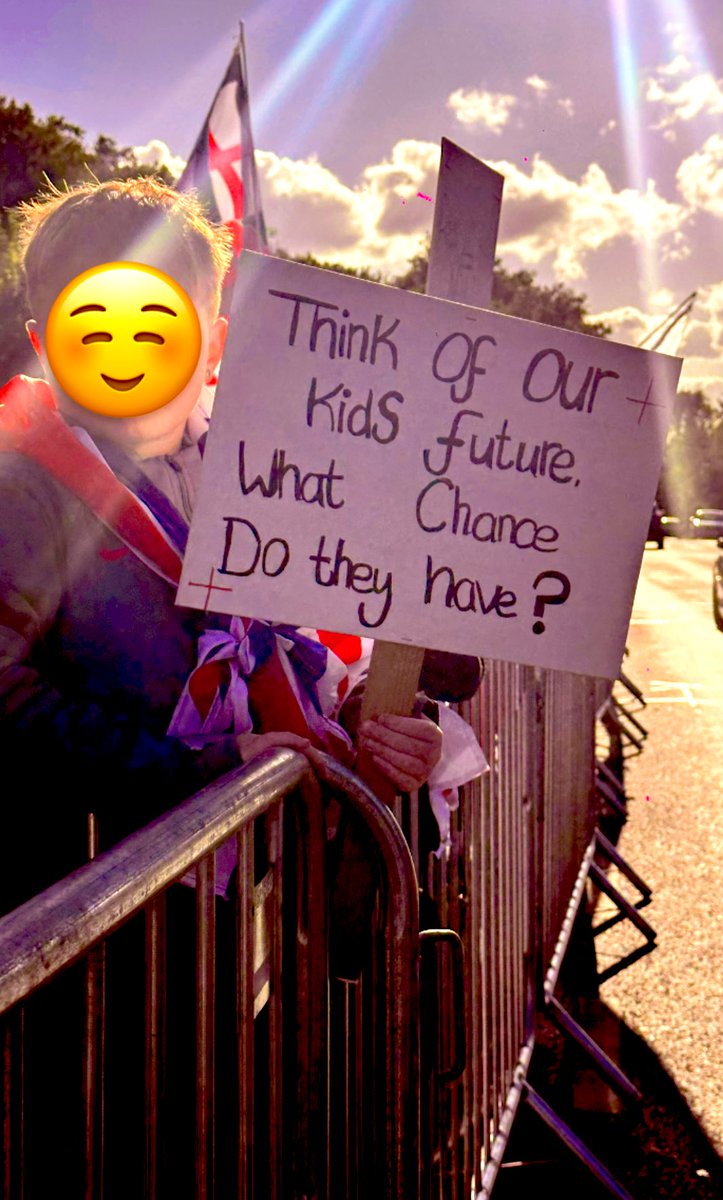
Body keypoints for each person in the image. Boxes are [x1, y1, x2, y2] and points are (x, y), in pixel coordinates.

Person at [0, 177, 450, 1193]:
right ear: (45, 329)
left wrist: (368, 729)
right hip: (84, 940)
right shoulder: (22, 485)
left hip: (220, 928)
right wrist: (192, 772)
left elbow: (295, 657)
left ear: (213, 332)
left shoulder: (247, 472)